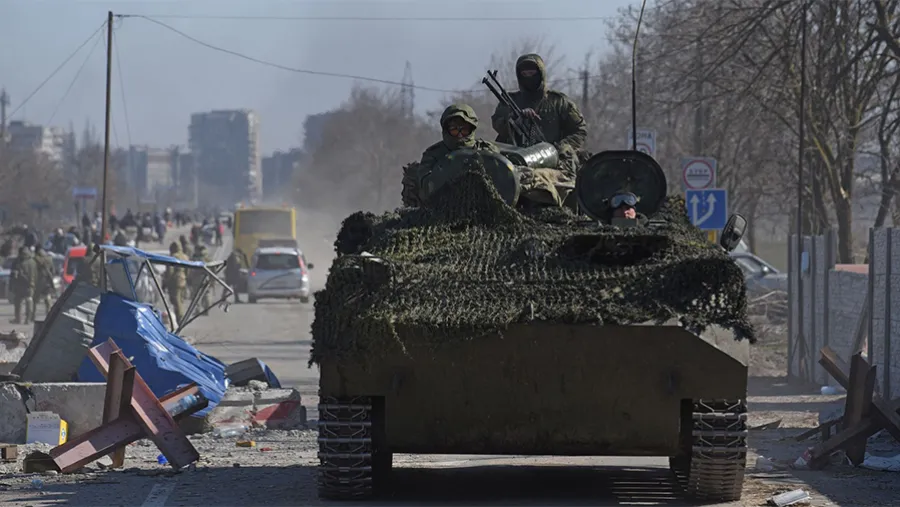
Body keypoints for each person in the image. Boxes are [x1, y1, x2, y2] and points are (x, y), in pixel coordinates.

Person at [490, 53, 588, 206]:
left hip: (552, 160)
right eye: (524, 74)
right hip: (516, 158)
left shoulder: (558, 102)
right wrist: (515, 119)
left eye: (533, 73)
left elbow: (579, 130)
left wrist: (559, 149)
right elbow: (498, 125)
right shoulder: (509, 102)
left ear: (541, 73)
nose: (528, 77)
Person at [401, 103, 500, 207]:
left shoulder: (487, 151)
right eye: (454, 130)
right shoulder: (433, 155)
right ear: (446, 130)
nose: (460, 135)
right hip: (441, 209)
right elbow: (426, 188)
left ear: (472, 129)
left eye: (464, 130)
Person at [163, 242, 189, 324]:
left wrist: (166, 281)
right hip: (183, 278)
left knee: (176, 299)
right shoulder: (185, 256)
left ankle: (180, 317)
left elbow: (170, 271)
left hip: (175, 280)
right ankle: (180, 316)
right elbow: (188, 269)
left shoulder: (173, 257)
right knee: (180, 299)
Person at [10, 246, 36, 324]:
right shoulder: (32, 262)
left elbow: (13, 275)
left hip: (21, 285)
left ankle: (18, 319)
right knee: (28, 301)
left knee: (19, 302)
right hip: (29, 285)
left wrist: (11, 286)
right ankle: (27, 319)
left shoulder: (17, 261)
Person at [32, 244, 56, 317]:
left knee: (35, 299)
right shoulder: (49, 258)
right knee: (47, 297)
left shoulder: (34, 259)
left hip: (38, 281)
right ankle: (49, 313)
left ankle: (32, 315)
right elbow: (53, 271)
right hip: (47, 281)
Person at [189, 244, 212, 315]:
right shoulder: (207, 257)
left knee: (196, 295)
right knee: (206, 294)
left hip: (197, 278)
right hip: (206, 277)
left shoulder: (195, 257)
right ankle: (207, 309)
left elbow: (190, 268)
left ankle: (197, 310)